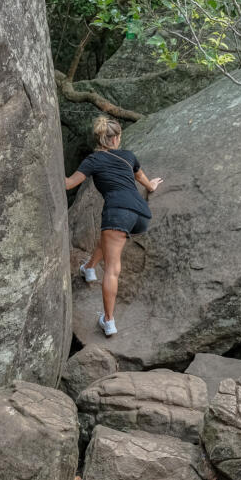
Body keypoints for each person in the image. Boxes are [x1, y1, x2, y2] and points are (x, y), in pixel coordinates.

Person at [65, 115, 163, 336]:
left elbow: (69, 184)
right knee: (110, 239)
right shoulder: (128, 156)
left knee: (112, 268)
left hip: (117, 213)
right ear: (116, 138)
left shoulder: (93, 160)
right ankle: (89, 268)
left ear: (99, 139)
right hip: (140, 215)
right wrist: (152, 185)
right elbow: (146, 183)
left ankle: (108, 321)